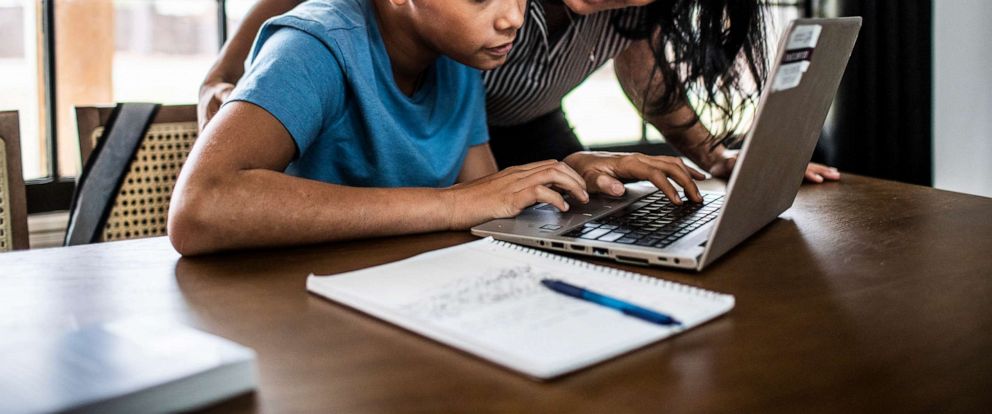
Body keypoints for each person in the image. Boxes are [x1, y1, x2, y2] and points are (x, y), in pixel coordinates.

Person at [168, 0, 707, 256]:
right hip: (295, 306)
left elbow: (488, 194)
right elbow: (199, 208)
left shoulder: (460, 58)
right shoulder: (314, 47)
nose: (514, 19)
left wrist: (571, 173)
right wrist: (450, 204)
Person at [199, 0, 842, 197]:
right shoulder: (336, 41)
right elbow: (314, 20)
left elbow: (647, 76)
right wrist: (224, 86)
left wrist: (717, 156)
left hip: (488, 133)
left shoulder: (457, 64)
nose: (508, 18)